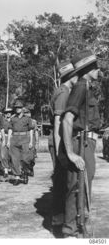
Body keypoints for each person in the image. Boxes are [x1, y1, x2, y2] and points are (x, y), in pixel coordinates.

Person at [61, 50, 101, 238]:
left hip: (88, 142)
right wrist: (71, 153)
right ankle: (71, 231)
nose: (98, 69)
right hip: (81, 143)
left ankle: (78, 227)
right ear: (86, 70)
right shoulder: (81, 87)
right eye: (94, 66)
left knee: (84, 187)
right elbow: (67, 119)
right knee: (77, 186)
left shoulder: (88, 87)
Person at [49, 60, 78, 230]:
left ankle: (59, 218)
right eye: (76, 74)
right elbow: (58, 124)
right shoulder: (64, 93)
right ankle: (58, 219)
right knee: (61, 181)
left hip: (60, 140)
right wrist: (62, 152)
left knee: (62, 181)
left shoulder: (64, 91)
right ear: (70, 76)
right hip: (59, 140)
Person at [7, 100, 34, 186]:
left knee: (25, 158)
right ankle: (17, 177)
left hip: (24, 138)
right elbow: (10, 129)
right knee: (14, 159)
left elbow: (31, 130)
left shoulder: (27, 118)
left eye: (19, 107)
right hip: (14, 138)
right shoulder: (12, 118)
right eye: (16, 108)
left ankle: (25, 172)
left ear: (22, 108)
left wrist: (31, 141)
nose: (17, 109)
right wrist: (8, 141)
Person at [23, 108, 38, 176]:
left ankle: (31, 167)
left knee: (32, 156)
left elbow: (36, 131)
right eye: (25, 113)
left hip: (32, 139)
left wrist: (37, 142)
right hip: (24, 138)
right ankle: (26, 170)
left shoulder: (33, 121)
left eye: (28, 112)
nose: (27, 114)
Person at [1, 107, 13, 179]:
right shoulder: (3, 121)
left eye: (9, 112)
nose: (8, 114)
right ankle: (5, 170)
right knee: (4, 155)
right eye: (6, 112)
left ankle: (12, 169)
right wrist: (4, 140)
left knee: (12, 154)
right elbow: (2, 129)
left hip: (13, 137)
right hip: (5, 137)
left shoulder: (13, 120)